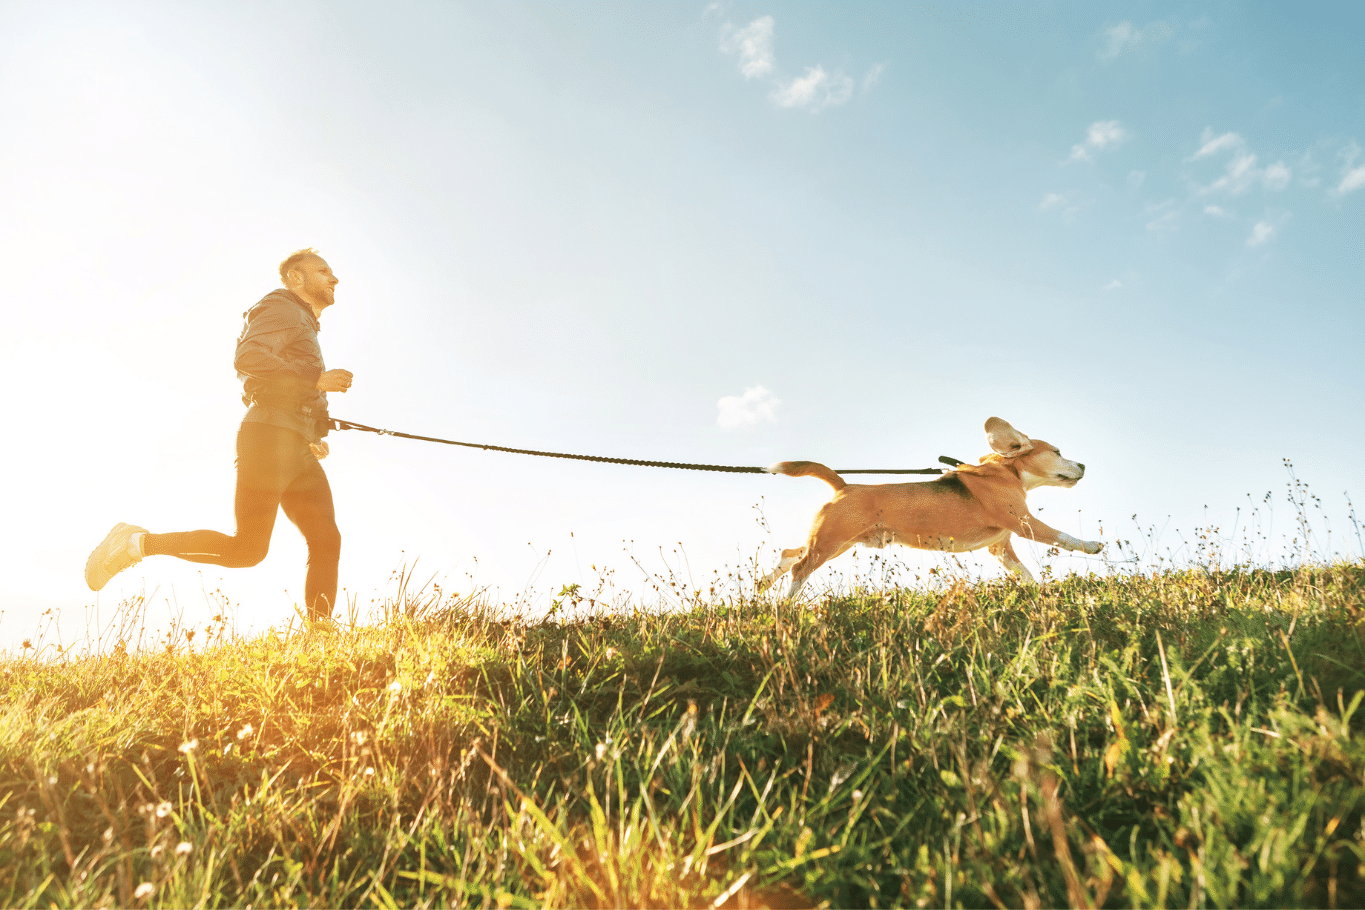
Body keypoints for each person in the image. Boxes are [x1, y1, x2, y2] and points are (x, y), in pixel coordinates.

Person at [85, 249, 355, 623]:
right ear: (296, 278)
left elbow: (288, 387)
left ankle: (321, 634)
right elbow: (248, 358)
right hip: (268, 438)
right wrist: (314, 379)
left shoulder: (303, 322)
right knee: (247, 550)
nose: (334, 278)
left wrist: (316, 429)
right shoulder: (282, 308)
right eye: (324, 271)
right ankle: (135, 543)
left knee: (326, 539)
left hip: (294, 443)